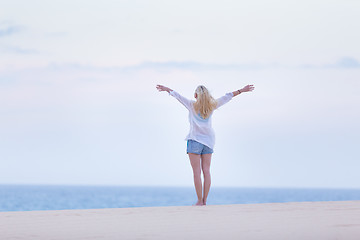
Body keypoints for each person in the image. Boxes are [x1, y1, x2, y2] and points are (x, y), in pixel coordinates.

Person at [156, 84, 255, 206]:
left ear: (196, 95)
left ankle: (199, 201)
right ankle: (205, 200)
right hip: (209, 141)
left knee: (196, 172)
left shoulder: (192, 105)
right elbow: (228, 96)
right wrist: (242, 90)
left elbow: (178, 96)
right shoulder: (212, 106)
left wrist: (167, 89)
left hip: (195, 140)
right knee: (207, 171)